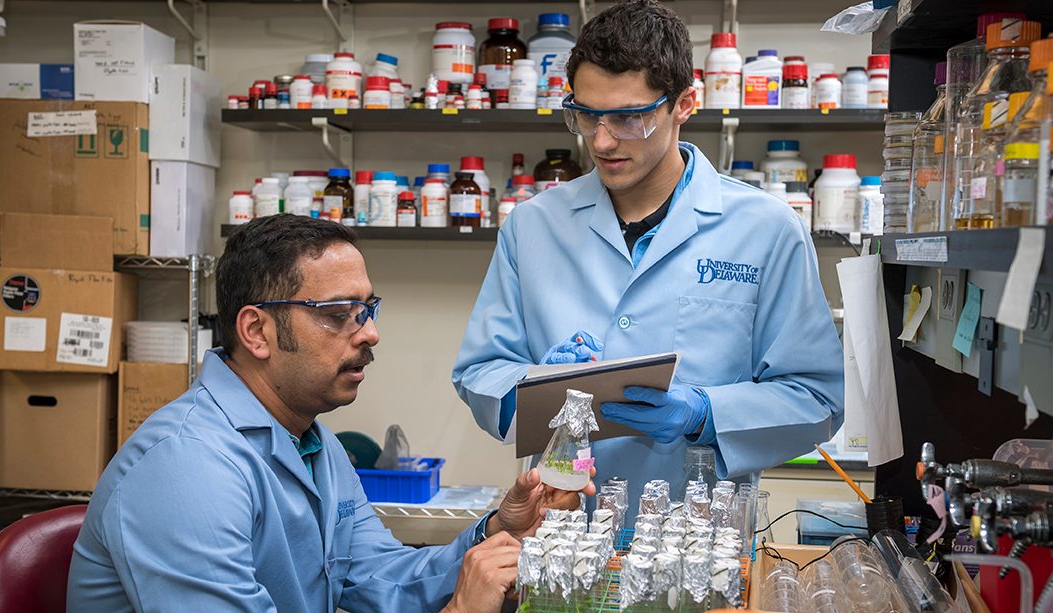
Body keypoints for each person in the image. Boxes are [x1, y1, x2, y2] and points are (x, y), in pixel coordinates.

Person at [67, 215, 592, 612]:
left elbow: (383, 579)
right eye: (339, 314)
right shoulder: (188, 468)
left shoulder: (314, 443)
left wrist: (499, 529)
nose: (370, 333)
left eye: (368, 309)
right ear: (256, 332)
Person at [453, 0, 844, 518]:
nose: (603, 140)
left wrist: (704, 412)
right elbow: (480, 370)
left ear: (684, 102)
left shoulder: (766, 229)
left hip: (702, 545)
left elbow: (816, 397)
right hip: (559, 536)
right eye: (586, 116)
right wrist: (529, 389)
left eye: (629, 117)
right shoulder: (533, 226)